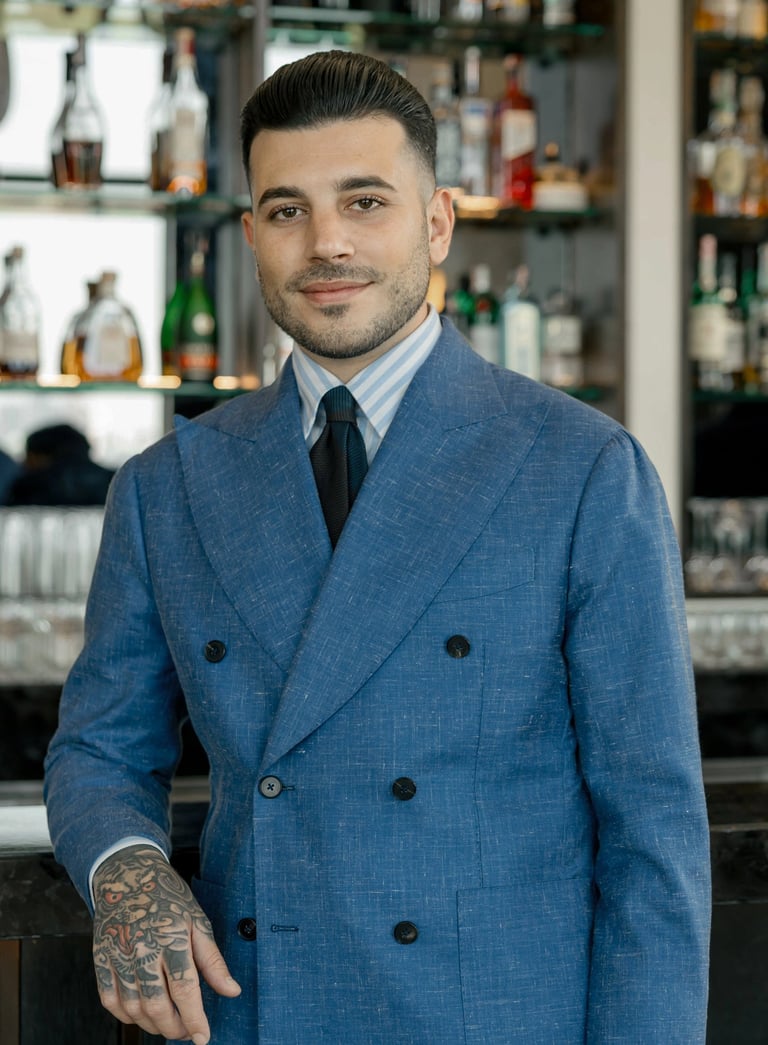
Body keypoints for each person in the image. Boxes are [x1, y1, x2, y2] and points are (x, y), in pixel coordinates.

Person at [44, 49, 711, 1045]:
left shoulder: (582, 469)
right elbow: (99, 746)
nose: (327, 244)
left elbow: (654, 833)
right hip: (254, 1012)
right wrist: (125, 865)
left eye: (365, 202)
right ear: (252, 235)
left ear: (436, 222)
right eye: (287, 210)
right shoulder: (166, 485)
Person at [8, 422, 114, 506]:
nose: (24, 464)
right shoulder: (114, 482)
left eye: (29, 458)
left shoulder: (29, 488)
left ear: (42, 457)